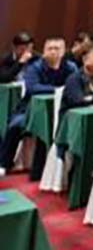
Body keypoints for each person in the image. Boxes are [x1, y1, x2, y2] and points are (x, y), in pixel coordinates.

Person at [0, 38, 77, 174]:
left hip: (62, 110)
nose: (53, 51)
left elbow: (73, 86)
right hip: (30, 109)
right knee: (15, 125)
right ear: (44, 51)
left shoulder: (71, 67)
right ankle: (4, 163)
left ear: (64, 51)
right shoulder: (35, 67)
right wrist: (58, 90)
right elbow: (33, 87)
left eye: (57, 48)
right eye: (50, 48)